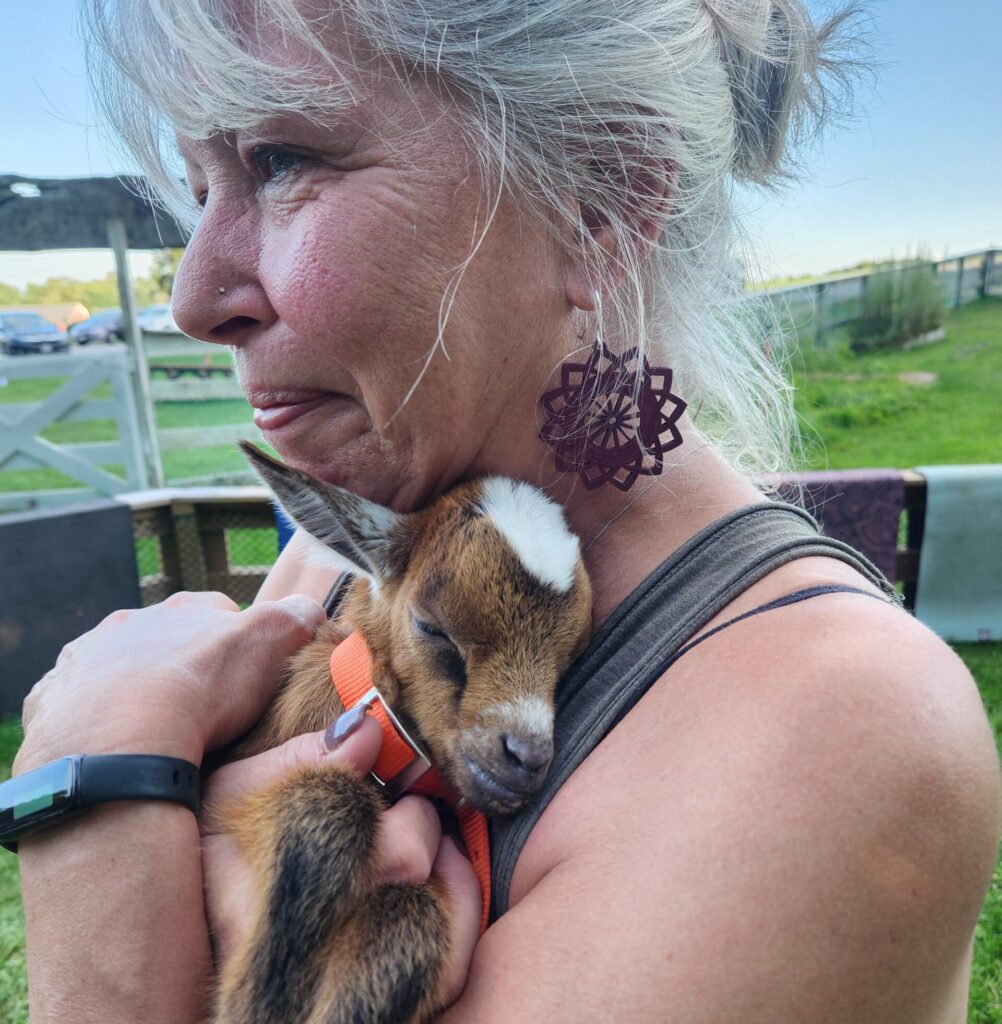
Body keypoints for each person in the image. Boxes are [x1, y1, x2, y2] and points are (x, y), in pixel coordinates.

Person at [13, 0, 1000, 1021]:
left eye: (278, 160)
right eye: (199, 186)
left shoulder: (834, 734)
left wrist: (90, 800)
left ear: (600, 196)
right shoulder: (349, 538)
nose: (194, 296)